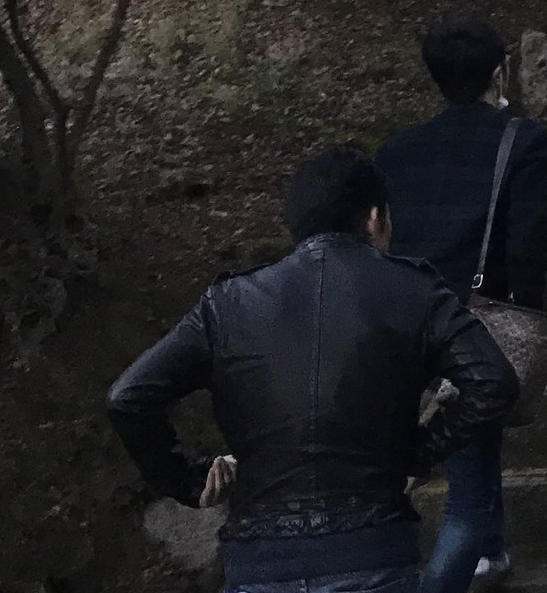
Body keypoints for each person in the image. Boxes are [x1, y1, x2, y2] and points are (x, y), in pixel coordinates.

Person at [107, 145, 517, 593]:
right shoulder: (414, 289)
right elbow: (492, 380)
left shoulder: (226, 305)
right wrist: (417, 450)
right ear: (375, 219)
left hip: (259, 558)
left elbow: (129, 397)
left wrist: (187, 480)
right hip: (372, 548)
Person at [376, 13, 547, 593]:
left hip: (406, 320)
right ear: (499, 72)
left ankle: (495, 551)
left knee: (471, 446)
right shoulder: (522, 139)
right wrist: (526, 313)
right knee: (466, 499)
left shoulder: (397, 152)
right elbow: (527, 243)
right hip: (477, 321)